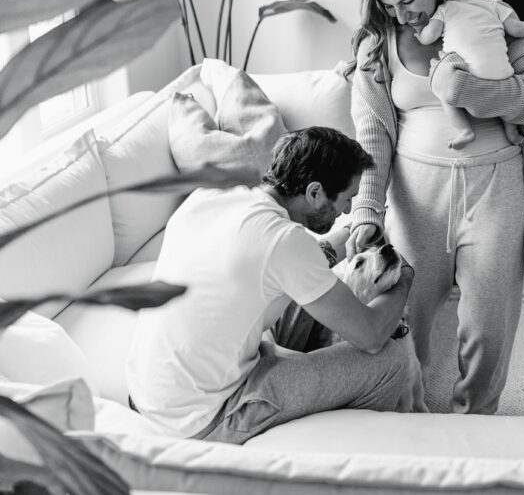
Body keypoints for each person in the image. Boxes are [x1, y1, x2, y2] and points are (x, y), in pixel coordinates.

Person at [343, 0, 524, 415]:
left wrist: (466, 88)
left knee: (488, 325)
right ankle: (406, 415)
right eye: (389, 6)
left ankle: (475, 420)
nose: (402, 15)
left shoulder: (492, 21)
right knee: (406, 320)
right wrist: (366, 209)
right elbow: (374, 136)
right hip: (417, 199)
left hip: (496, 190)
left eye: (409, 1)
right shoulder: (379, 48)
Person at [125, 126, 416, 444]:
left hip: (148, 394)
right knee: (392, 357)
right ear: (314, 192)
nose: (347, 210)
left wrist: (353, 230)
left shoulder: (213, 195)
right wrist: (403, 278)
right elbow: (372, 336)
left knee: (308, 285)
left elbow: (292, 260)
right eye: (346, 199)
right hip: (205, 420)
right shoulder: (286, 241)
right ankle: (347, 444)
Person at [415, 0, 524, 149]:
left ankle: (465, 131)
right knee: (506, 103)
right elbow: (517, 30)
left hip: (465, 81)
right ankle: (511, 132)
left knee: (444, 94)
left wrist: (420, 33)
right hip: (502, 78)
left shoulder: (445, 9)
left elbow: (429, 36)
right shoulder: (496, 7)